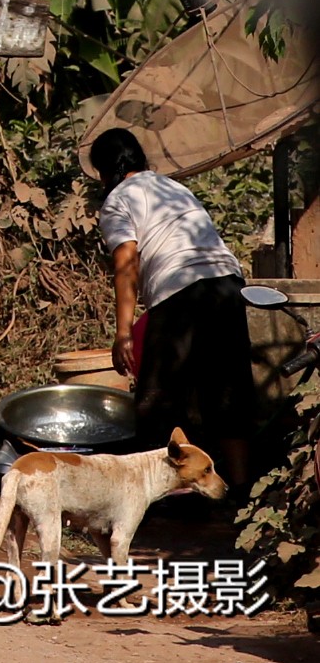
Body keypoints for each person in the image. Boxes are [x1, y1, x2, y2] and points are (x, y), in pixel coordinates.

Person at [92, 128, 252, 487]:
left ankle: (157, 498)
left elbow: (126, 262)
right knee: (228, 392)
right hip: (227, 284)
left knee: (157, 400)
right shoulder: (173, 187)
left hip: (180, 291)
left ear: (105, 172)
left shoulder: (119, 198)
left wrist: (123, 333)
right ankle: (241, 494)